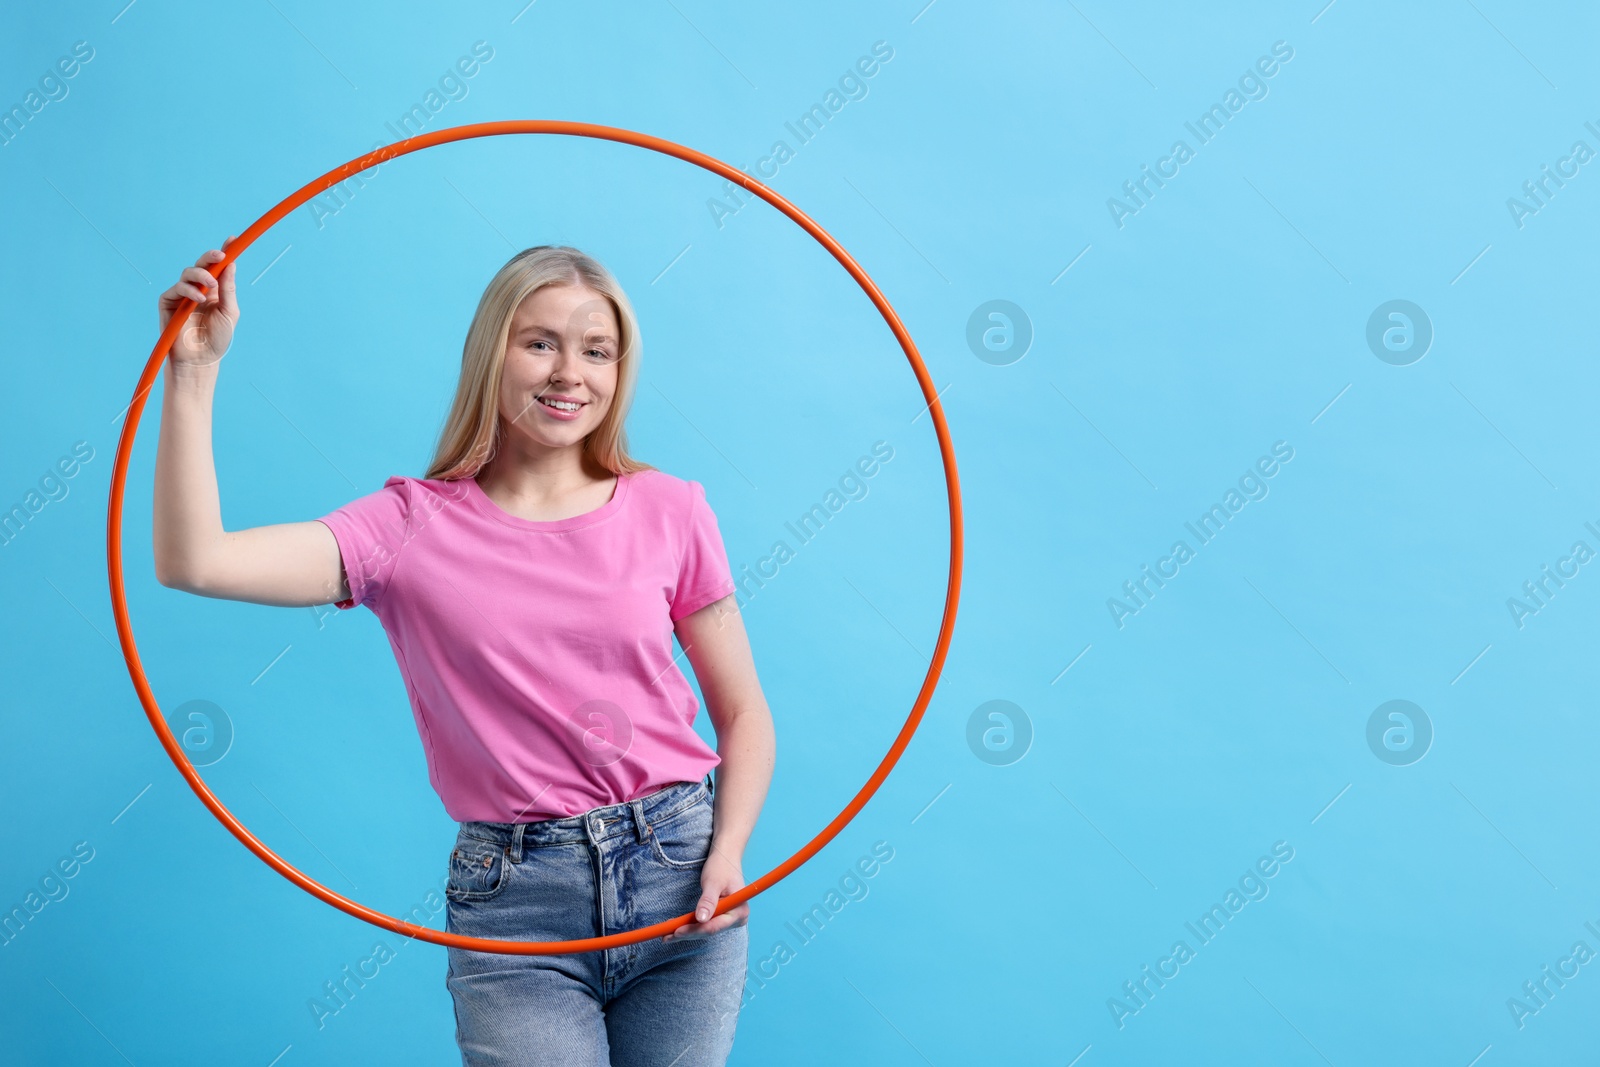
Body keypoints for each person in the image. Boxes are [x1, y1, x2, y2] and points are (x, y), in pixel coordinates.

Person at [152, 241, 775, 1066]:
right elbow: (196, 560)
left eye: (597, 350)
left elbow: (744, 712)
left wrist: (727, 852)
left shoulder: (672, 508)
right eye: (540, 342)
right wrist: (191, 373)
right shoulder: (405, 525)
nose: (570, 373)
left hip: (678, 871)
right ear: (493, 352)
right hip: (516, 904)